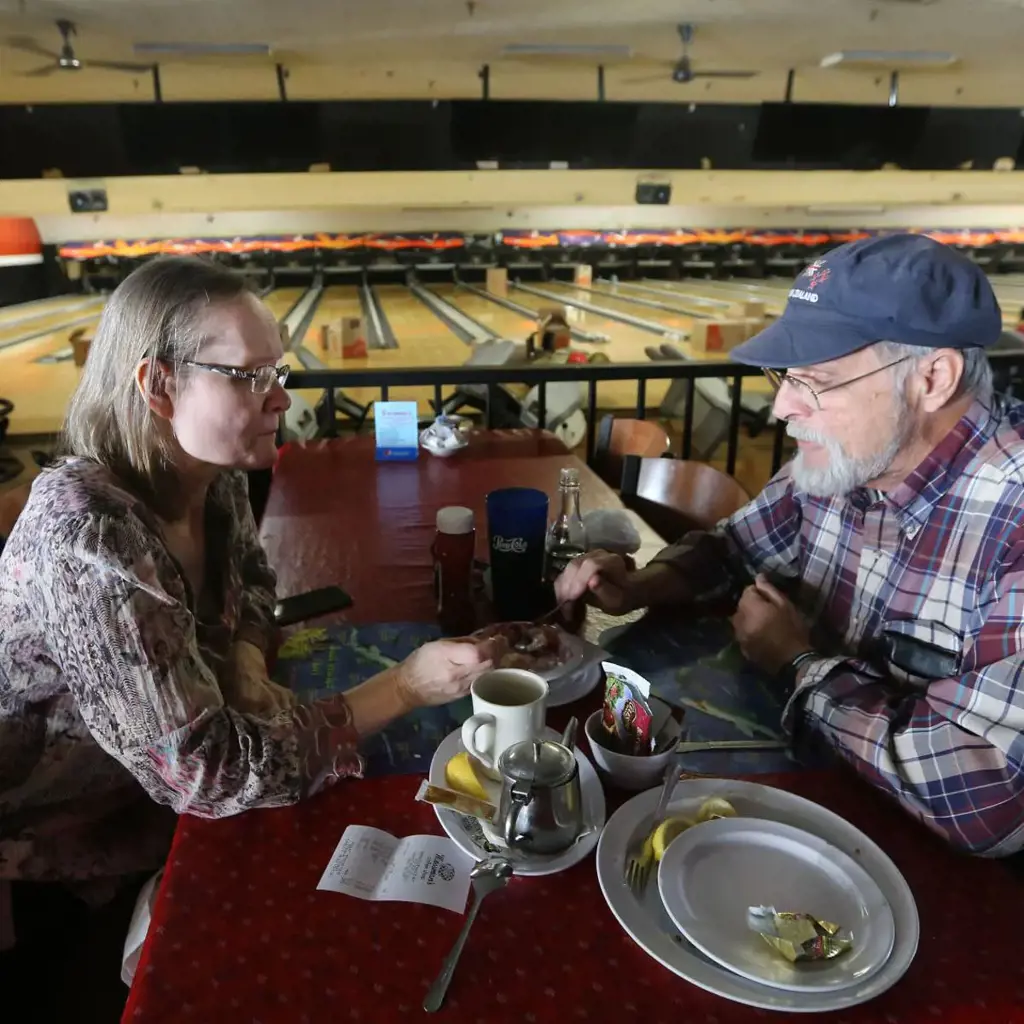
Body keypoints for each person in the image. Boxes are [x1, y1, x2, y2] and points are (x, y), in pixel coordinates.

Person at [0, 256, 498, 904]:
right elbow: (208, 773)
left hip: (145, 796)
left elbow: (255, 578)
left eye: (278, 371)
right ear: (158, 386)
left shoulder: (211, 477)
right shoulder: (89, 543)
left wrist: (243, 658)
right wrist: (403, 687)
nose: (282, 397)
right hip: (55, 839)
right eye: (249, 376)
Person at [557, 233, 1024, 857]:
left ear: (933, 377)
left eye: (815, 380)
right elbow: (731, 550)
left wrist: (798, 664)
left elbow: (989, 802)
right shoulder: (848, 460)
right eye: (786, 376)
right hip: (813, 808)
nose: (781, 406)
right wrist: (640, 584)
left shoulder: (1011, 521)